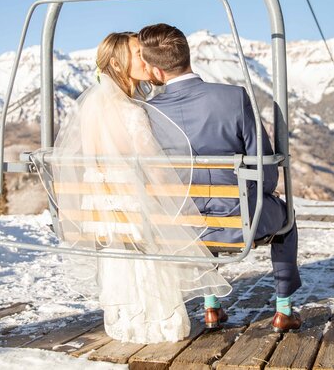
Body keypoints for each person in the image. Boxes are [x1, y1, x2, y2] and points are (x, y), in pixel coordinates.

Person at [48, 31, 231, 344]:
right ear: (120, 63)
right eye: (137, 52)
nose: (146, 57)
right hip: (140, 219)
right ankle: (158, 321)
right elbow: (155, 171)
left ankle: (127, 319)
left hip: (107, 220)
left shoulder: (91, 106)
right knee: (160, 226)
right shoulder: (131, 111)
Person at [138, 23, 303, 333]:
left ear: (157, 72)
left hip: (180, 227)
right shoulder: (233, 98)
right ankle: (284, 308)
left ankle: (212, 306)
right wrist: (262, 194)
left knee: (198, 212)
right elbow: (266, 172)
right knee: (286, 218)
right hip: (240, 221)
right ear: (187, 55)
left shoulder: (147, 111)